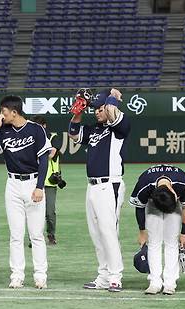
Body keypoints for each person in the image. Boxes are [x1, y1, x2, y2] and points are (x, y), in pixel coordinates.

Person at [68, 88, 130, 292]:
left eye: (100, 108)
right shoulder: (94, 129)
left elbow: (113, 112)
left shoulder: (119, 128)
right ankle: (103, 275)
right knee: (97, 234)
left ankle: (115, 276)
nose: (97, 111)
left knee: (109, 232)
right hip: (92, 186)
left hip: (109, 185)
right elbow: (74, 134)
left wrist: (113, 97)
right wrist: (78, 112)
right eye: (95, 108)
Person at [0, 95, 51, 289]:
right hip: (13, 184)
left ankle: (40, 275)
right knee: (15, 234)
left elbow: (43, 160)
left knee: (36, 234)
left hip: (33, 182)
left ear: (14, 112)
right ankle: (17, 275)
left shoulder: (35, 129)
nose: (1, 115)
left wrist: (40, 186)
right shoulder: (3, 130)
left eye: (4, 112)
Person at [129, 164, 185, 295]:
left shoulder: (182, 184)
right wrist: (142, 231)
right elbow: (140, 207)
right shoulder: (144, 185)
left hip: (173, 204)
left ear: (174, 193)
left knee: (171, 242)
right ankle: (154, 282)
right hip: (153, 205)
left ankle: (170, 283)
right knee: (154, 242)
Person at [32, 115, 62, 245]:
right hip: (34, 181)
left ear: (44, 126)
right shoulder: (31, 138)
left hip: (50, 182)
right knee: (33, 212)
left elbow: (52, 152)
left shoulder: (53, 137)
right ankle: (34, 237)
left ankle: (51, 234)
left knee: (49, 212)